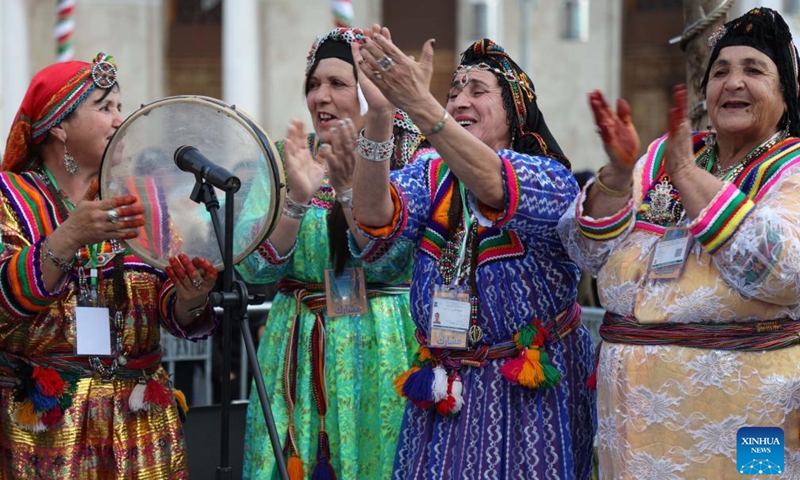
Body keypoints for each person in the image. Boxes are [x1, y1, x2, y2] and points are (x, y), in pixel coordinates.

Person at [557, 7, 800, 478]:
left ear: (787, 94)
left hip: (751, 419)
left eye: (754, 70)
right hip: (634, 425)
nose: (733, 82)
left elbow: (783, 270)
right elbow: (586, 251)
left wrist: (687, 175)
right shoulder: (661, 157)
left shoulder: (791, 168)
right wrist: (619, 175)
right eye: (720, 72)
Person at [352, 28, 596, 479]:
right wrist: (382, 114)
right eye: (453, 93)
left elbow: (495, 185)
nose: (460, 101)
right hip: (444, 384)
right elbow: (371, 214)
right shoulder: (432, 173)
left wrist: (419, 104)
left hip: (525, 397)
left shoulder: (549, 178)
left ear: (514, 110)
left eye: (477, 91)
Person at [0, 53, 218, 479]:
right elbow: (4, 304)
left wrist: (190, 299)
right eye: (104, 107)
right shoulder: (10, 196)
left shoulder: (143, 200)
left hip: (141, 423)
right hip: (47, 426)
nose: (120, 119)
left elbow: (169, 307)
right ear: (59, 126)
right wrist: (68, 236)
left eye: (119, 105)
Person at [237, 28, 422, 479]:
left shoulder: (410, 160)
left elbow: (391, 260)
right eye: (314, 84)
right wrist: (297, 202)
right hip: (297, 342)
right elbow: (254, 268)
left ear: (372, 92)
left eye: (338, 84)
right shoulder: (284, 159)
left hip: (380, 346)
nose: (321, 96)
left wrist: (346, 191)